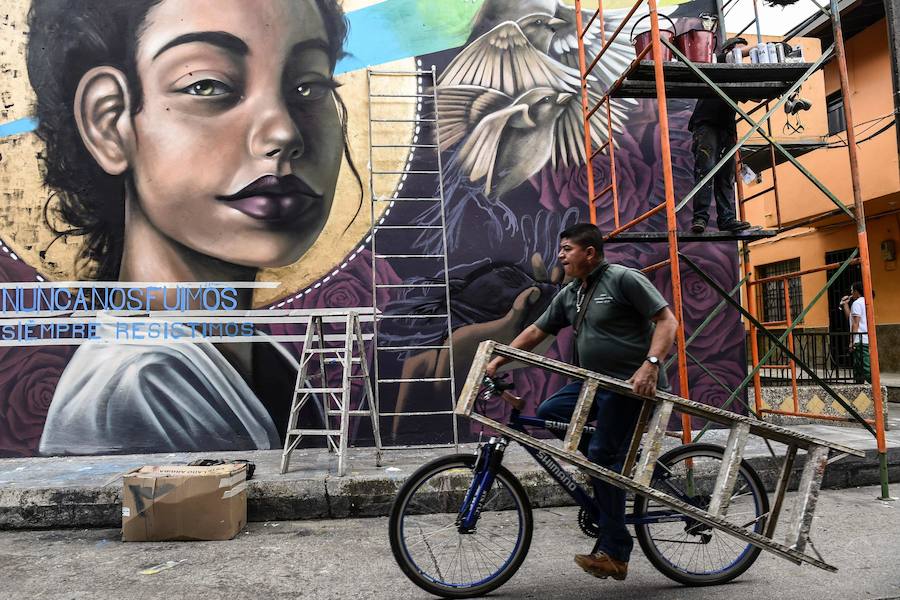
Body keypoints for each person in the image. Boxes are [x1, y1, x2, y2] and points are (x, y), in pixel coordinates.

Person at [27, 0, 360, 454]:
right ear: (109, 122)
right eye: (207, 85)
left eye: (309, 86)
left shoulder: (259, 359)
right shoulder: (138, 389)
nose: (283, 132)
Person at [485, 222, 678, 581]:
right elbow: (535, 331)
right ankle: (609, 469)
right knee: (549, 413)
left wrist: (650, 366)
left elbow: (667, 321)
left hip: (631, 386)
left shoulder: (623, 279)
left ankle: (615, 551)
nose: (560, 255)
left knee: (604, 455)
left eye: (567, 249)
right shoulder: (572, 292)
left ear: (590, 253)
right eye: (560, 249)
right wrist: (498, 357)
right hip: (592, 384)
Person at [689, 37, 752, 235]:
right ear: (731, 50)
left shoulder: (737, 77)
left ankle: (726, 219)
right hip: (706, 124)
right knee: (706, 170)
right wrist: (759, 49)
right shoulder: (717, 61)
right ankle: (700, 217)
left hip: (726, 128)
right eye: (740, 51)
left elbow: (754, 95)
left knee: (726, 175)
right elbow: (734, 56)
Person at [841, 281, 871, 384]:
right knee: (858, 367)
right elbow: (851, 319)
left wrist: (851, 341)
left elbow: (855, 324)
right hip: (863, 338)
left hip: (860, 340)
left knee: (865, 367)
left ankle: (878, 389)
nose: (851, 293)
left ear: (856, 291)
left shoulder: (857, 303)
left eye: (852, 291)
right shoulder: (865, 301)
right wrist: (845, 304)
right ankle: (859, 390)